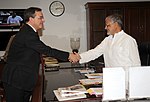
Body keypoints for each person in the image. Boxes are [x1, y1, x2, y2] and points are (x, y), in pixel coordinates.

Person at [2, 7, 79, 102]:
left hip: (22, 79)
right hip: (16, 80)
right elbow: (46, 49)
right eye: (40, 17)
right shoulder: (28, 34)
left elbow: (34, 52)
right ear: (31, 19)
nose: (43, 20)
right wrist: (69, 55)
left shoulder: (29, 32)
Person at [76, 14, 141, 67]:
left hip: (125, 80)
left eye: (108, 25)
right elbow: (95, 52)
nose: (105, 28)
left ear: (116, 24)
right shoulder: (107, 40)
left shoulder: (128, 40)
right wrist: (79, 57)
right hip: (110, 78)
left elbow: (136, 64)